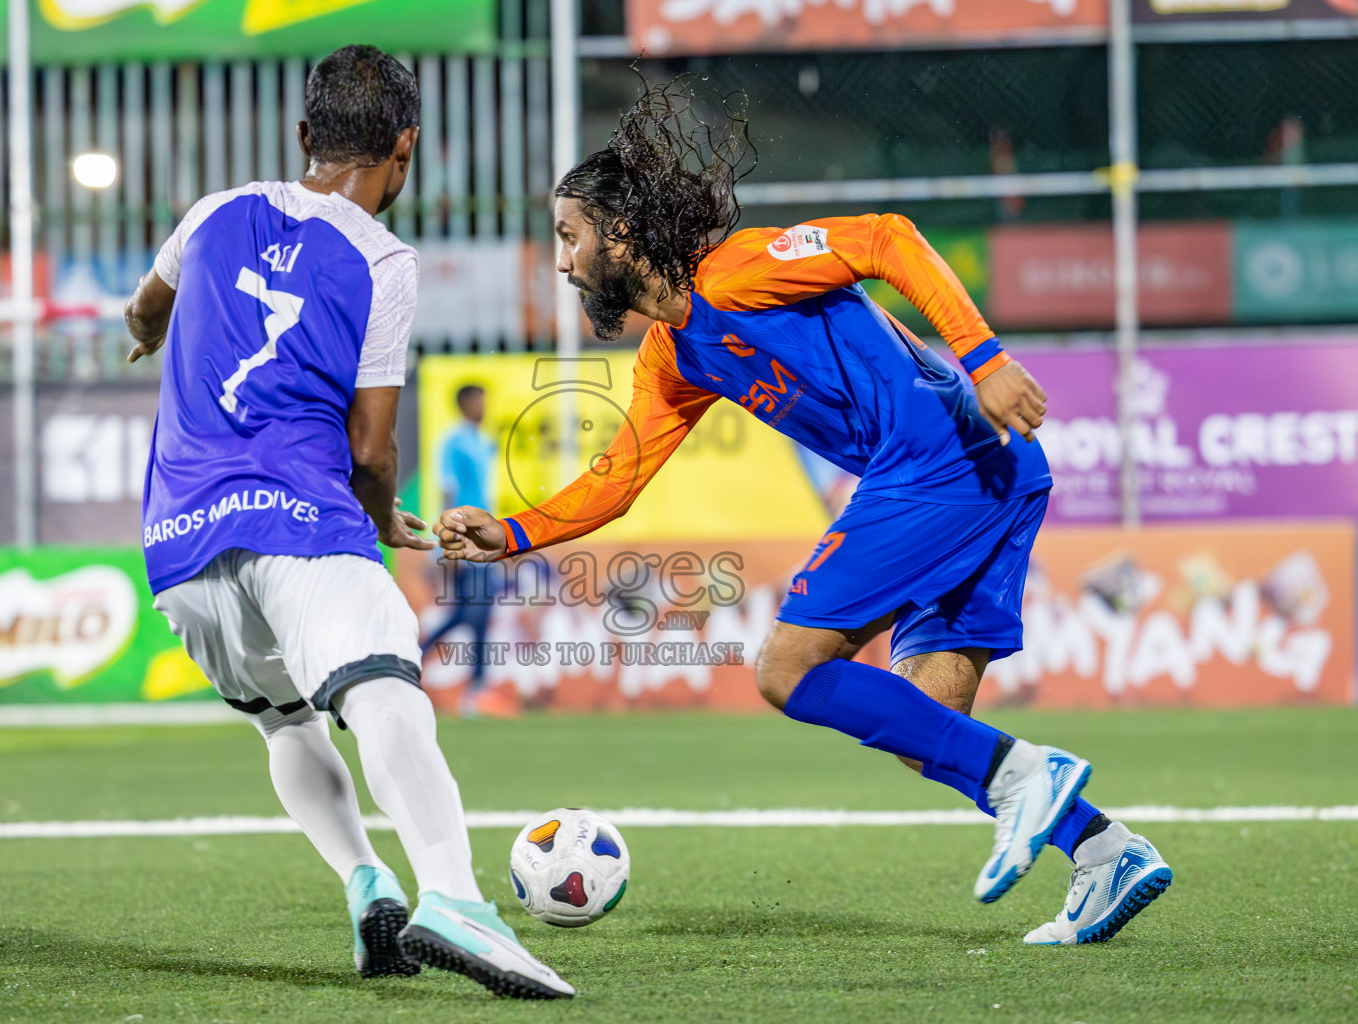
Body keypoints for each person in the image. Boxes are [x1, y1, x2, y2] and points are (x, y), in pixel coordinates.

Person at [433, 78, 1171, 946]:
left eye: (569, 236)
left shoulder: (738, 270)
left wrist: (985, 357)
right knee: (923, 726)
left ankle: (1025, 781)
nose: (561, 262)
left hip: (941, 463)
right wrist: (515, 533)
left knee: (787, 669)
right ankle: (1103, 850)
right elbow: (619, 474)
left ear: (621, 234)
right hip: (999, 478)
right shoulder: (672, 357)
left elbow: (885, 240)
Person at [122, 45, 572, 998]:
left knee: (286, 722)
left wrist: (149, 334)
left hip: (180, 544)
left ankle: (367, 883)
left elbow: (146, 305)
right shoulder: (381, 258)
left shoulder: (213, 212)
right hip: (299, 518)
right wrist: (384, 522)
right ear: (404, 148)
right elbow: (370, 446)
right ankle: (453, 896)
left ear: (303, 138)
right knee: (382, 689)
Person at [421, 385, 515, 717]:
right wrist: (452, 544)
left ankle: (473, 688)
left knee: (474, 613)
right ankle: (474, 688)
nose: (483, 407)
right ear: (464, 405)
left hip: (486, 542)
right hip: (468, 542)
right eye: (478, 401)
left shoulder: (484, 441)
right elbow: (449, 493)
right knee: (473, 613)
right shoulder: (454, 442)